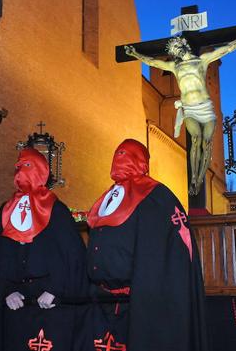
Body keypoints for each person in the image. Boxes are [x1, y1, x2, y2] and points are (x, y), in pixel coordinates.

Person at [85, 139, 208, 350]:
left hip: (141, 302)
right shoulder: (109, 196)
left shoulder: (157, 197)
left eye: (126, 154)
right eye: (118, 153)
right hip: (104, 302)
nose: (120, 158)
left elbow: (159, 252)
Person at [124, 24, 236, 195]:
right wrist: (135, 54)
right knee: (195, 139)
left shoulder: (201, 61)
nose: (176, 52)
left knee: (206, 143)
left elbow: (227, 48)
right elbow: (152, 61)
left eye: (177, 48)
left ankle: (201, 175)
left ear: (184, 45)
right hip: (189, 108)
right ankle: (194, 178)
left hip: (205, 107)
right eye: (173, 51)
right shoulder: (175, 67)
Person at [0, 148, 87, 351]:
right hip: (18, 302)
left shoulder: (56, 209)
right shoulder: (7, 210)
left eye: (28, 165)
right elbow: (2, 258)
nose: (20, 169)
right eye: (19, 165)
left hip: (49, 302)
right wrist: (8, 290)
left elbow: (71, 254)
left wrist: (54, 289)